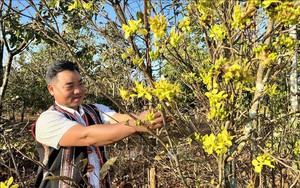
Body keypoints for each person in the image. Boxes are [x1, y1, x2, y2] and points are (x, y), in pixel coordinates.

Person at [32, 60, 166, 188]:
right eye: (70, 86)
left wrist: (153, 116)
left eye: (80, 83)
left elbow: (121, 119)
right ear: (51, 89)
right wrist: (138, 124)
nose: (78, 90)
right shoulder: (48, 119)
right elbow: (87, 136)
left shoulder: (96, 110)